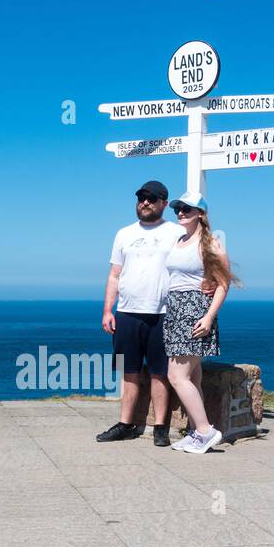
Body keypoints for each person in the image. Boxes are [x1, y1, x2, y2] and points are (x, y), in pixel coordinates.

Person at [98, 180, 184, 446]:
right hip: (127, 313)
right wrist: (107, 311)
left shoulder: (176, 232)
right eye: (141, 198)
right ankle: (126, 423)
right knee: (129, 371)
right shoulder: (123, 234)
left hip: (163, 313)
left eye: (151, 199)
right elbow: (114, 275)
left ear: (164, 204)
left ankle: (160, 428)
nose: (145, 203)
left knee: (160, 372)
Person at [163, 191, 238, 454]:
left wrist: (208, 317)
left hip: (194, 311)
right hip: (174, 310)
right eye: (178, 209)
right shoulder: (178, 241)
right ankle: (196, 433)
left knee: (176, 375)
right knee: (193, 376)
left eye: (187, 208)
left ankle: (206, 431)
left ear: (201, 214)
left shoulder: (211, 244)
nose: (181, 212)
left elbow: (223, 284)